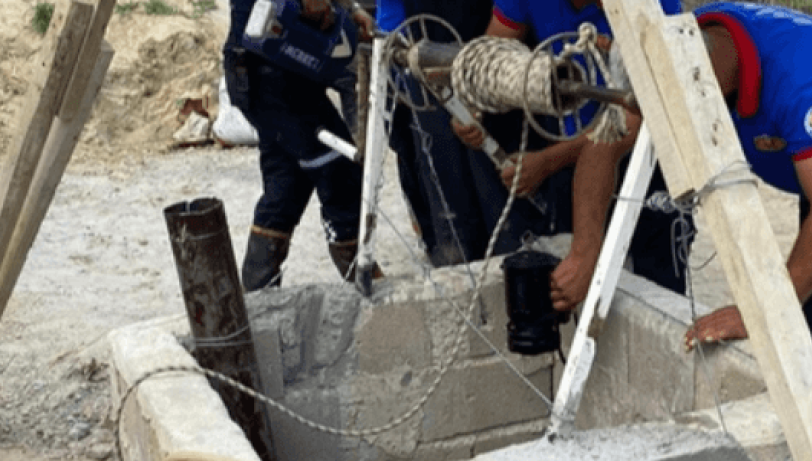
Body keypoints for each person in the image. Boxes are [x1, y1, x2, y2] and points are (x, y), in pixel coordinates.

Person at [552, 1, 812, 381]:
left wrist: (759, 311)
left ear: (698, 88)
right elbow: (604, 147)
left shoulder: (802, 80)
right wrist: (586, 252)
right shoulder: (680, 49)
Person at [461, 0, 687, 293]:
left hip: (648, 159)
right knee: (570, 277)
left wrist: (547, 161)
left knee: (656, 284)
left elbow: (642, 112)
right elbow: (490, 53)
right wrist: (470, 106)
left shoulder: (651, 6)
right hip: (572, 149)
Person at [222, 0, 381, 290]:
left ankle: (259, 292)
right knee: (339, 171)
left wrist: (349, 9)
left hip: (260, 68)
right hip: (275, 70)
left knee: (287, 181)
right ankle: (365, 281)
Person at [377, 0, 546, 265]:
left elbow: (513, 18)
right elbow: (391, 20)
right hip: (425, 66)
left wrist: (477, 93)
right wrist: (397, 52)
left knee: (507, 199)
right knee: (452, 208)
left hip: (501, 69)